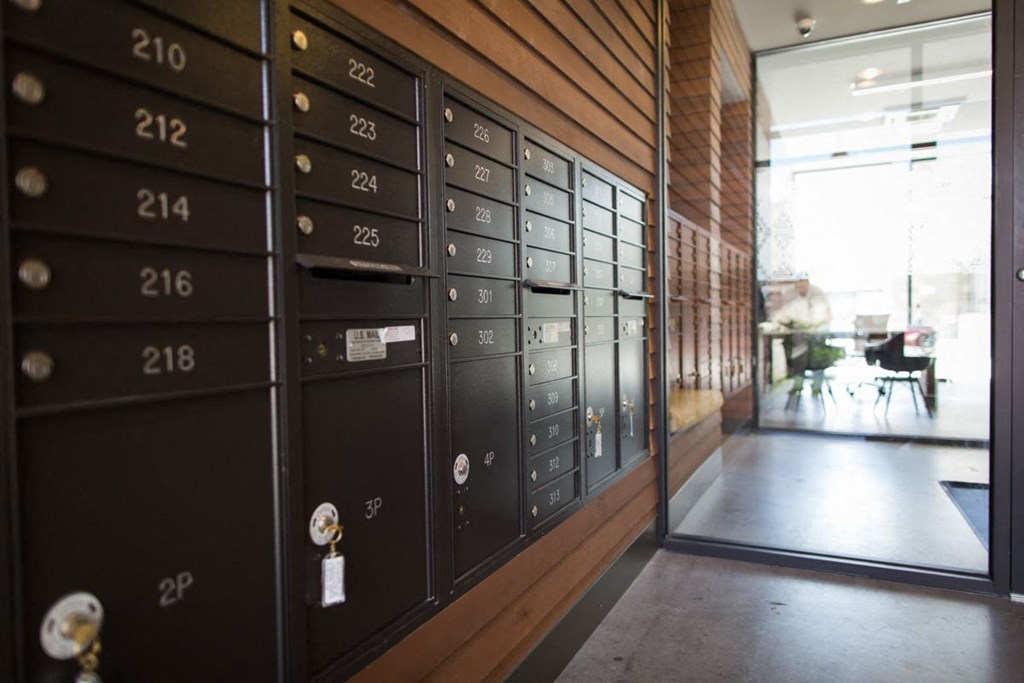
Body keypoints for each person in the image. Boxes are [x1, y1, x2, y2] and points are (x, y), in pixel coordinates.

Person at [770, 278, 837, 396]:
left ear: (808, 285)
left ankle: (816, 388)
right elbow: (781, 316)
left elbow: (826, 317)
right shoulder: (794, 300)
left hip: (816, 337)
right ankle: (798, 385)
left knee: (817, 363)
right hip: (799, 338)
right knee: (798, 362)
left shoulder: (818, 297)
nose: (802, 289)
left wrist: (815, 326)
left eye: (804, 286)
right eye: (799, 287)